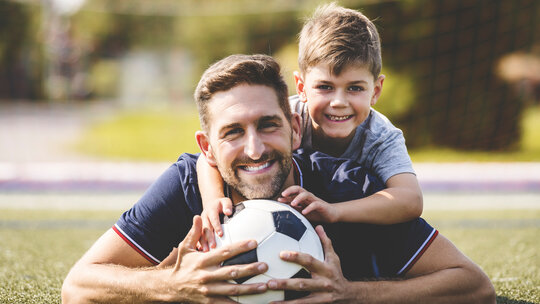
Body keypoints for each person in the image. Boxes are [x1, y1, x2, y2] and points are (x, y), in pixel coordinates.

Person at [62, 54, 495, 303]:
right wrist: (169, 284)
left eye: (268, 125)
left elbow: (474, 286)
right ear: (207, 147)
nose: (254, 149)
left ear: (295, 127)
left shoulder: (344, 188)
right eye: (233, 131)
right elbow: (77, 287)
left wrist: (351, 294)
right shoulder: (187, 185)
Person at [197, 3, 422, 249]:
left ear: (376, 90)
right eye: (325, 87)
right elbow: (207, 157)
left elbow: (410, 200)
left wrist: (335, 211)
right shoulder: (281, 118)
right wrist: (214, 200)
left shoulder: (381, 136)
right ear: (301, 87)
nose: (338, 102)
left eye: (355, 88)